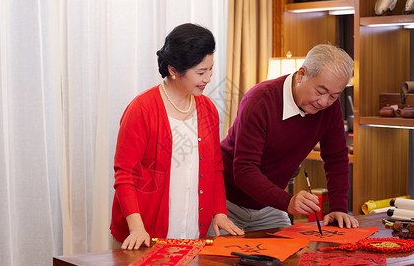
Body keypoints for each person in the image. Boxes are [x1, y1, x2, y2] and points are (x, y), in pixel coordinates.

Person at [110, 23, 244, 250]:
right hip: (142, 235)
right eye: (201, 72)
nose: (208, 78)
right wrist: (136, 227)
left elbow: (215, 167)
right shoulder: (142, 109)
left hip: (192, 233)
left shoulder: (208, 109)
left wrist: (219, 211)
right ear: (173, 70)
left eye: (211, 69)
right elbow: (125, 175)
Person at [219, 44, 359, 233]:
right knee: (218, 261)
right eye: (320, 92)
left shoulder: (329, 108)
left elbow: (336, 158)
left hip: (267, 207)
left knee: (289, 258)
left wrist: (338, 208)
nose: (324, 102)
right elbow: (244, 170)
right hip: (226, 203)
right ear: (301, 74)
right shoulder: (260, 101)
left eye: (333, 96)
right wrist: (288, 201)